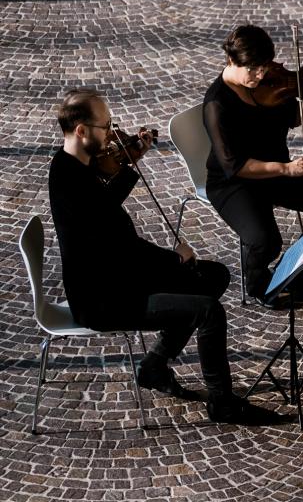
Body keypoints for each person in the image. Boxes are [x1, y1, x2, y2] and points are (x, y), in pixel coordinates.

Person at [48, 88, 282, 425]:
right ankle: (222, 403)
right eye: (107, 126)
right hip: (103, 297)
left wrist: (129, 165)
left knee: (214, 276)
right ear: (82, 130)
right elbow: (125, 249)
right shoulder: (72, 181)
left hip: (117, 276)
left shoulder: (74, 165)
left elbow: (104, 207)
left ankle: (154, 366)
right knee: (208, 310)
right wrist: (175, 258)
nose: (114, 134)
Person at [203, 24, 303, 305]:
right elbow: (235, 166)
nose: (260, 75)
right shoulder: (217, 103)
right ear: (232, 61)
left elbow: (293, 117)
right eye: (253, 70)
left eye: (264, 67)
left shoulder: (267, 83)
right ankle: (260, 286)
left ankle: (297, 276)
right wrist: (286, 169)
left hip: (277, 172)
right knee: (265, 240)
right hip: (234, 183)